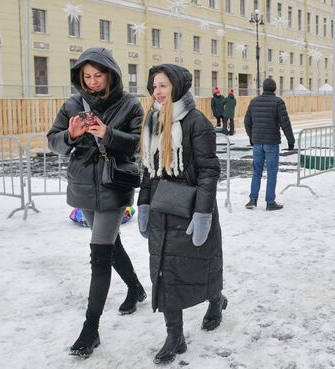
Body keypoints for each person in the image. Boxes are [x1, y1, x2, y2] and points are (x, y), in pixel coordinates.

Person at [47, 48, 146, 357]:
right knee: (110, 244)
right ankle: (136, 288)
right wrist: (71, 135)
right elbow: (53, 140)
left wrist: (107, 133)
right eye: (86, 76)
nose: (91, 82)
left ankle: (91, 329)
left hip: (113, 185)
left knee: (99, 253)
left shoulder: (129, 104)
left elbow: (138, 143)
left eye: (97, 76)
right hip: (82, 183)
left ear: (111, 75)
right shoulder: (73, 104)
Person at [137, 64, 226, 365]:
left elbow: (209, 170)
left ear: (177, 87)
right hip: (162, 207)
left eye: (163, 86)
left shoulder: (196, 122)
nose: (157, 92)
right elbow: (149, 170)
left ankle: (215, 301)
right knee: (164, 272)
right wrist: (144, 203)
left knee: (203, 263)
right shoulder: (153, 120)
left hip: (190, 208)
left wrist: (203, 214)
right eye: (154, 86)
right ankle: (175, 335)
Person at [244, 78, 295, 211]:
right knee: (272, 172)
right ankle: (270, 202)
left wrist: (251, 137)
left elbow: (247, 121)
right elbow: (285, 122)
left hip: (257, 143)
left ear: (263, 88)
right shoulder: (278, 102)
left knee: (257, 172)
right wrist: (291, 140)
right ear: (274, 88)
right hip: (271, 142)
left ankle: (252, 199)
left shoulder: (254, 102)